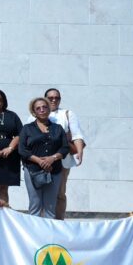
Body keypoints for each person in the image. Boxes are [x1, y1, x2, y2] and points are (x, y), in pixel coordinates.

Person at [18, 97, 69, 219]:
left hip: (54, 170)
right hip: (32, 170)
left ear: (49, 109)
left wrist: (53, 158)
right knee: (35, 205)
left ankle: (49, 236)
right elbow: (22, 150)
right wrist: (39, 161)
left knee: (50, 207)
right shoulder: (27, 128)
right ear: (34, 112)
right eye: (38, 108)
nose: (42, 110)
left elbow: (65, 148)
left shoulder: (58, 128)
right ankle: (33, 236)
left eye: (44, 107)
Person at [45, 88, 86, 220]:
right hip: (41, 160)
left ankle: (58, 221)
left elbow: (76, 134)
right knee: (41, 193)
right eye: (50, 97)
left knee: (60, 192)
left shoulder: (67, 114)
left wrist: (79, 151)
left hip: (62, 160)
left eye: (57, 98)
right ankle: (40, 222)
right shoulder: (35, 113)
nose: (53, 100)